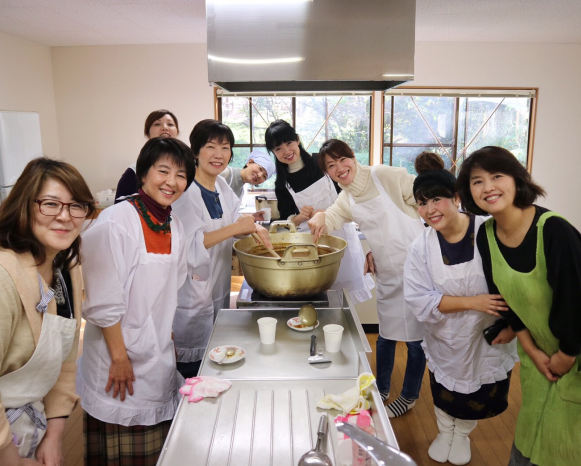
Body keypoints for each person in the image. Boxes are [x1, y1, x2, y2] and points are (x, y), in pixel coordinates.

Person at [455, 146, 581, 466]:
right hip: (540, 341)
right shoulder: (486, 235)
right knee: (534, 419)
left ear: (517, 180)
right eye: (477, 181)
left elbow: (578, 300)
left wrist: (566, 354)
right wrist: (531, 348)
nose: (488, 186)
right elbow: (505, 297)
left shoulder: (554, 230)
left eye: (497, 176)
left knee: (568, 433)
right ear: (468, 192)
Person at [0, 158, 94, 465]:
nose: (65, 216)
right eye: (50, 204)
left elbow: (65, 361)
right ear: (24, 206)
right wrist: (8, 460)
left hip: (29, 429)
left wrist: (54, 434)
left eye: (76, 205)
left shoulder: (65, 266)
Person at [77, 137, 196, 464]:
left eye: (182, 175)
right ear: (143, 174)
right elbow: (102, 300)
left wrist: (167, 339)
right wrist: (119, 357)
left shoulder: (175, 225)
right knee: (122, 445)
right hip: (117, 358)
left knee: (156, 448)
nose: (172, 182)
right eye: (163, 171)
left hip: (155, 351)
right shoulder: (115, 222)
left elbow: (172, 287)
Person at [403, 159, 518, 464]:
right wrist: (473, 302)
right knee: (444, 389)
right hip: (446, 335)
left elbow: (517, 283)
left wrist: (512, 325)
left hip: (487, 336)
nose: (430, 210)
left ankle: (462, 434)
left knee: (477, 394)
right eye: (422, 203)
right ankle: (444, 431)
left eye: (436, 199)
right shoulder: (421, 246)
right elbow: (419, 298)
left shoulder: (489, 232)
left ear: (455, 198)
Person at [308, 139, 425, 418]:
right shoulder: (346, 196)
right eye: (331, 166)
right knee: (385, 336)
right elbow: (334, 217)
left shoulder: (385, 175)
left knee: (416, 340)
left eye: (342, 160)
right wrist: (321, 215)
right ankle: (380, 389)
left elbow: (427, 202)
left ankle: (409, 395)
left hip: (420, 271)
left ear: (353, 156)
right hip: (386, 271)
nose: (339, 168)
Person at [172, 120, 272, 379]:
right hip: (189, 294)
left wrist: (254, 229)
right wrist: (237, 227)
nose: (218, 154)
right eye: (210, 146)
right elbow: (191, 244)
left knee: (213, 362)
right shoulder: (184, 192)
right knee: (190, 369)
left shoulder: (221, 186)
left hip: (217, 285)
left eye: (225, 148)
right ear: (195, 151)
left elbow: (231, 225)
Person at [265, 122, 374, 304]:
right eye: (278, 148)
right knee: (316, 296)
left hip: (343, 239)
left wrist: (327, 212)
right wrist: (300, 216)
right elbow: (286, 222)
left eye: (289, 143)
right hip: (312, 246)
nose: (286, 151)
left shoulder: (322, 163)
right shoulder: (282, 184)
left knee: (344, 298)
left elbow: (348, 194)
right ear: (274, 153)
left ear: (298, 140)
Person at [115, 109, 180, 203]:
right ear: (147, 133)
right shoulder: (133, 172)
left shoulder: (189, 168)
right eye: (157, 124)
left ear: (177, 132)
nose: (165, 127)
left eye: (170, 124)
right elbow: (120, 211)